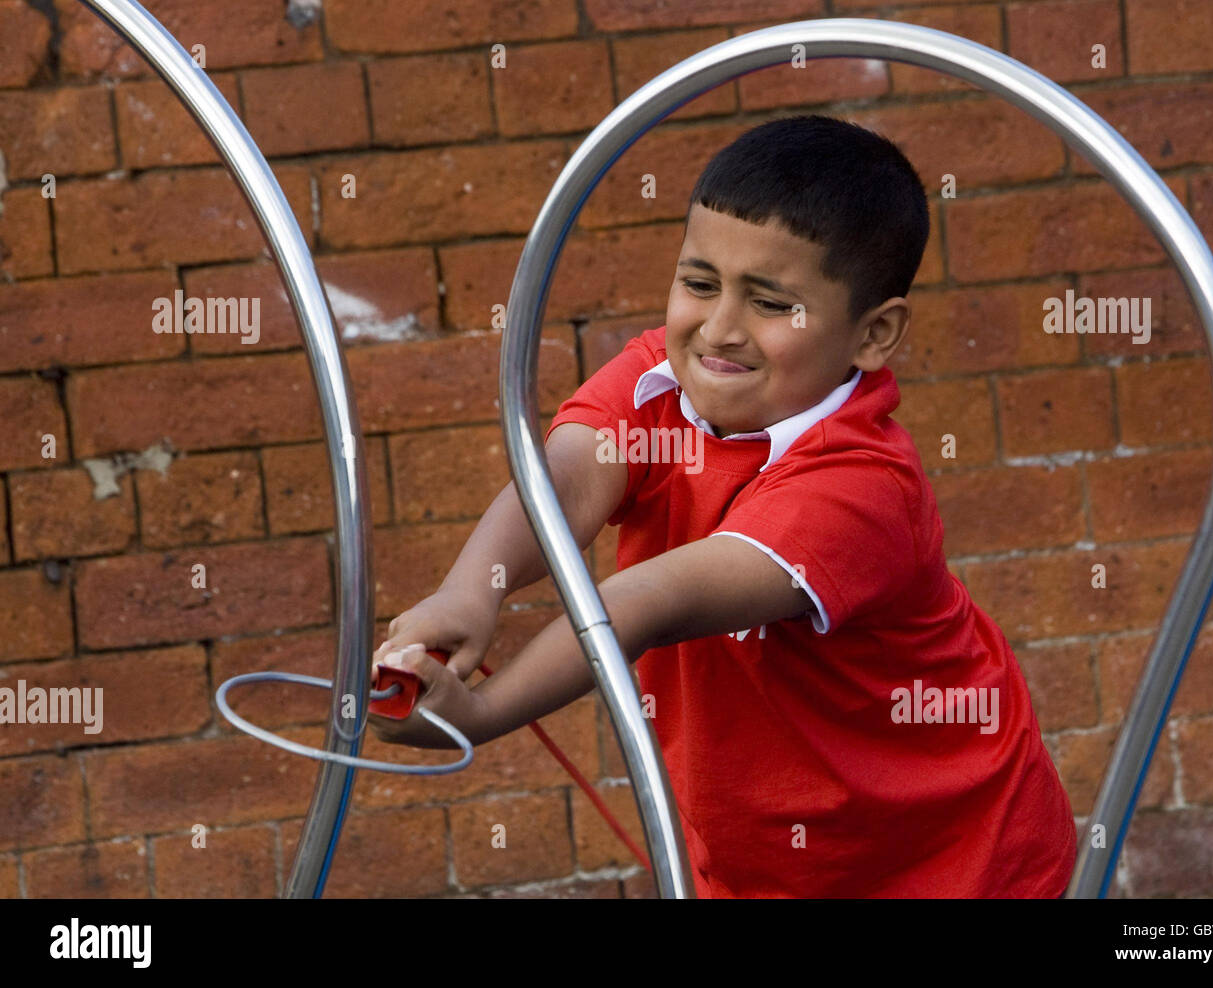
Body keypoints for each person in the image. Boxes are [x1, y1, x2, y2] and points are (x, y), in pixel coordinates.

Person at [369, 115, 1078, 898]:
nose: (719, 328)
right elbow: (567, 480)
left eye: (771, 304)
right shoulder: (660, 380)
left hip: (952, 864)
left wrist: (479, 714)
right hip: (760, 863)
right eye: (699, 284)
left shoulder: (864, 487)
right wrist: (474, 590)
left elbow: (646, 601)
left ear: (873, 334)